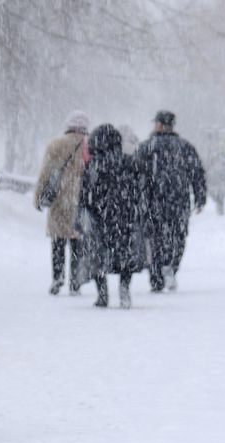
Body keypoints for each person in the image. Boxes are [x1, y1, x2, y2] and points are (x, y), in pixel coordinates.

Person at [134, 110, 207, 292]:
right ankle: (171, 268)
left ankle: (157, 277)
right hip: (179, 201)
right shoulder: (185, 147)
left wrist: (136, 198)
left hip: (153, 201)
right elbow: (197, 173)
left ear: (159, 125)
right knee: (178, 237)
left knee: (155, 239)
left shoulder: (146, 147)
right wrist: (200, 197)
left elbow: (136, 175)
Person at [77, 124, 146, 309]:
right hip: (125, 219)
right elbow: (140, 191)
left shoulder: (92, 165)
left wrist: (83, 215)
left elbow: (84, 195)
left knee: (97, 258)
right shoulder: (129, 162)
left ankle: (102, 294)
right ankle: (124, 288)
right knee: (125, 257)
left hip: (100, 218)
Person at [34, 110, 90, 295]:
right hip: (80, 202)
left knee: (58, 243)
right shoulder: (89, 147)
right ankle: (75, 282)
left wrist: (38, 197)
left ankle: (57, 278)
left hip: (59, 201)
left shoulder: (56, 145)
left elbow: (45, 174)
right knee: (77, 243)